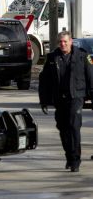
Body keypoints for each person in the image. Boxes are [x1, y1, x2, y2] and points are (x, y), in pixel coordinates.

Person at [38, 31, 93, 172]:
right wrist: (44, 100)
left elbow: (91, 77)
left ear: (71, 42)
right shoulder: (52, 58)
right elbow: (44, 81)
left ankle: (75, 160)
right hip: (59, 98)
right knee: (63, 129)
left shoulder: (82, 56)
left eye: (65, 41)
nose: (63, 44)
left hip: (76, 97)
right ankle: (69, 156)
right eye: (60, 42)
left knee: (74, 126)